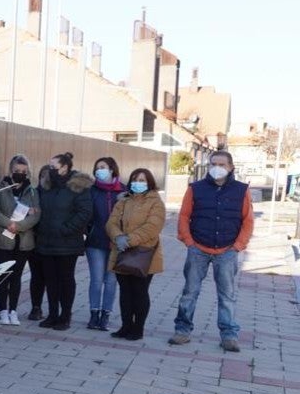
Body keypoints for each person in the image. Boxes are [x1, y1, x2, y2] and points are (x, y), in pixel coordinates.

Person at [171, 150, 254, 351]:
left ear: (231, 167)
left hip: (227, 250)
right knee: (190, 292)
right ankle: (182, 330)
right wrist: (188, 241)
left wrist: (238, 247)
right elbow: (183, 216)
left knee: (227, 295)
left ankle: (228, 335)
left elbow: (248, 220)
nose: (217, 168)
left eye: (222, 164)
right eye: (213, 164)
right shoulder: (195, 188)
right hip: (198, 248)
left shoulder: (241, 190)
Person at [34, 152, 93, 331]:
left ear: (65, 167)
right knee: (50, 280)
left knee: (66, 279)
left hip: (68, 243)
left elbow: (84, 213)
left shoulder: (78, 187)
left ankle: (65, 316)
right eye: (49, 167)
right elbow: (37, 207)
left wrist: (65, 229)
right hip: (46, 241)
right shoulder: (45, 186)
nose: (50, 170)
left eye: (54, 167)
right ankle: (52, 314)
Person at [106, 168, 166, 340]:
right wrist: (118, 237)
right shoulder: (123, 201)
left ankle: (137, 329)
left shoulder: (155, 202)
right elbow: (112, 222)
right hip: (121, 252)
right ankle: (125, 326)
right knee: (125, 292)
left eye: (142, 180)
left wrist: (129, 240)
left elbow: (153, 226)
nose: (137, 183)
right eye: (135, 179)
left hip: (144, 254)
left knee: (139, 291)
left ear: (149, 182)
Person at [0, 155, 42, 325]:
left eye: (23, 172)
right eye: (17, 171)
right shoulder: (0, 187)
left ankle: (13, 311)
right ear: (11, 170)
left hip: (23, 241)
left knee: (16, 277)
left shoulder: (32, 191)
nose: (20, 174)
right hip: (2, 240)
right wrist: (9, 223)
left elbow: (36, 213)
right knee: (3, 275)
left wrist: (20, 226)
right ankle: (3, 310)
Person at [85, 157, 126, 331]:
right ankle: (94, 314)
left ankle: (105, 315)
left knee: (111, 281)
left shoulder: (124, 191)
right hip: (96, 242)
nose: (98, 170)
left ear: (111, 169)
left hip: (117, 244)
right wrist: (90, 231)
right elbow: (86, 214)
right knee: (96, 280)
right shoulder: (91, 191)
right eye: (96, 167)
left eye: (102, 167)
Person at [26, 165, 51, 320]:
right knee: (36, 276)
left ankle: (53, 309)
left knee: (51, 276)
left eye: (48, 176)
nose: (45, 179)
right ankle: (36, 307)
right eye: (43, 175)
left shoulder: (57, 194)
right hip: (35, 240)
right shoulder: (33, 193)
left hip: (52, 242)